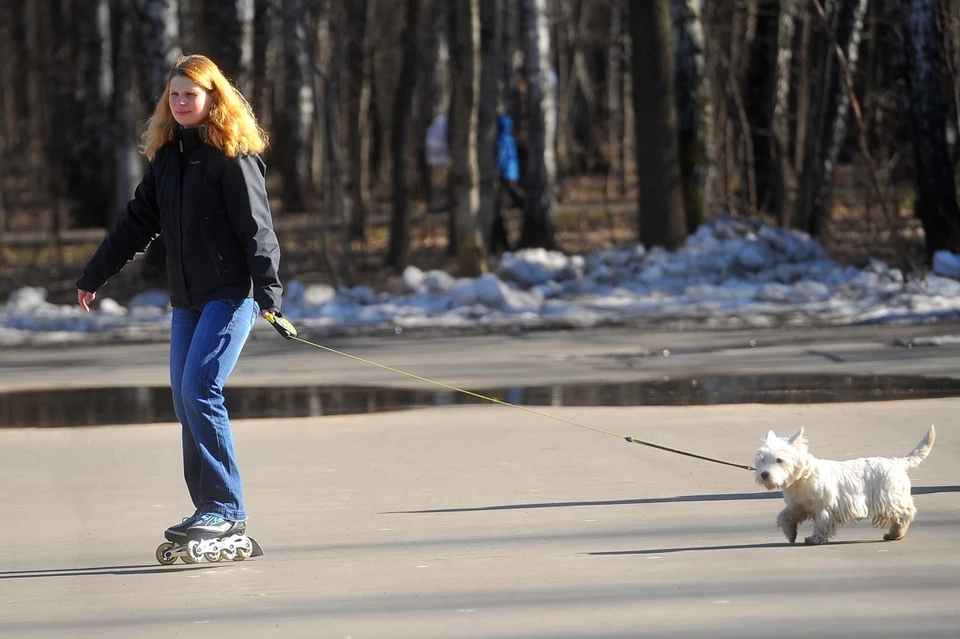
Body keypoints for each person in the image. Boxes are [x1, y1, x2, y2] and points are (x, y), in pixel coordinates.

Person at [76, 54, 282, 545]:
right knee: (184, 398)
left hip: (233, 294)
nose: (182, 102)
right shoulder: (168, 157)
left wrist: (268, 290)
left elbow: (258, 228)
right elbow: (136, 223)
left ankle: (225, 507)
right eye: (175, 95)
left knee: (200, 389)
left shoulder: (231, 155)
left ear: (214, 97)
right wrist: (95, 273)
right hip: (188, 300)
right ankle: (209, 507)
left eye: (191, 93)